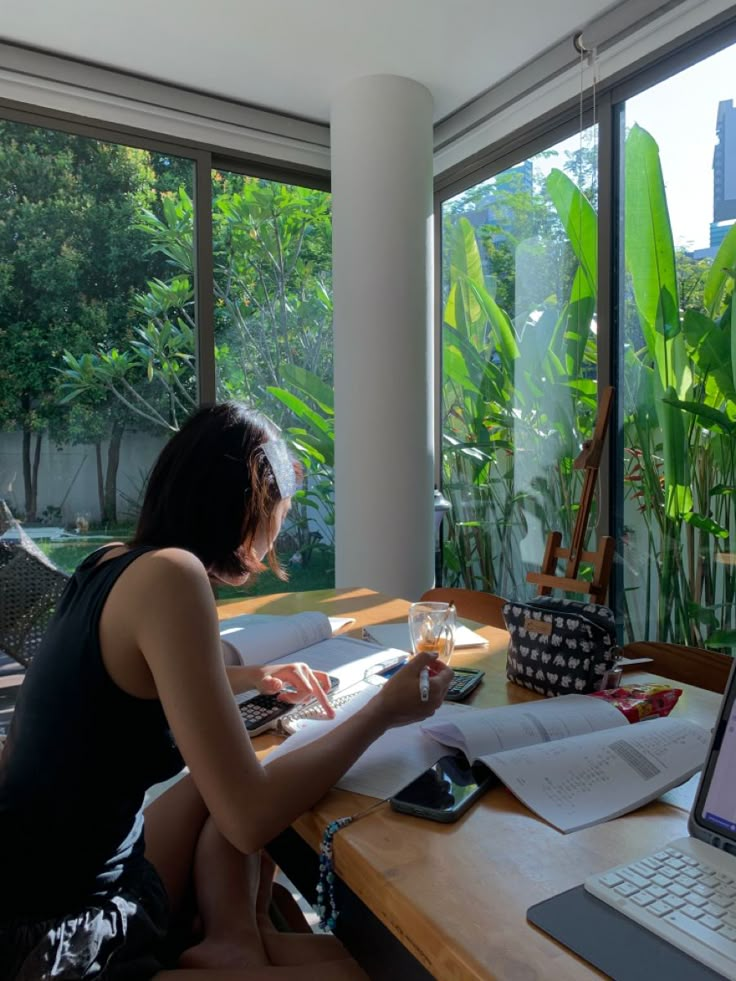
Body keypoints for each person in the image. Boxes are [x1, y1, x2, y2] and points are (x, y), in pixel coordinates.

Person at [0, 402, 453, 980]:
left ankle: (235, 940)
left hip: (58, 864)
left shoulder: (110, 562)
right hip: (55, 936)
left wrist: (244, 678)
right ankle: (242, 942)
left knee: (207, 791)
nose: (275, 536)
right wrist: (381, 712)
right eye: (277, 516)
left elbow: (116, 689)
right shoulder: (173, 578)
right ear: (244, 505)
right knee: (380, 971)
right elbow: (248, 817)